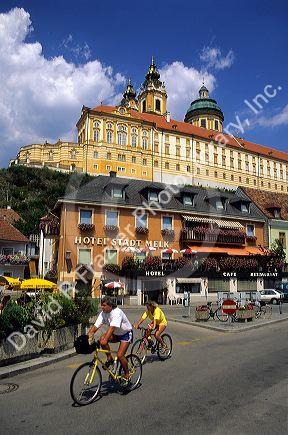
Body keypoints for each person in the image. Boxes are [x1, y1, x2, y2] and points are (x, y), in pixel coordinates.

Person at [88, 297, 133, 386]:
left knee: (120, 355)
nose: (102, 307)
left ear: (110, 306)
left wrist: (105, 340)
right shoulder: (103, 313)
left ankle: (127, 375)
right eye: (101, 305)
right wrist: (90, 334)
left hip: (126, 334)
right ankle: (110, 359)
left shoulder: (117, 312)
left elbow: (112, 328)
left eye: (104, 305)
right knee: (101, 339)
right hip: (116, 334)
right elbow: (96, 326)